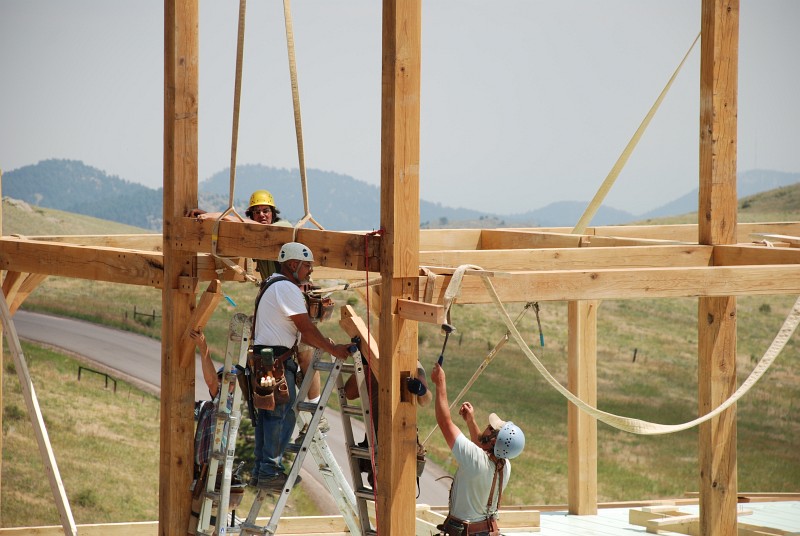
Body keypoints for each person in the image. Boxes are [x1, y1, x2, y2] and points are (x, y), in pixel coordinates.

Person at [250, 241, 353, 491]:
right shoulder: (286, 288)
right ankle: (269, 470)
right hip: (275, 362)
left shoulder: (274, 285)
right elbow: (306, 328)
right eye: (307, 266)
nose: (310, 271)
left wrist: (328, 345)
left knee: (269, 415)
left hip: (268, 361)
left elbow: (303, 334)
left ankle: (262, 470)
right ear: (293, 264)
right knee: (280, 416)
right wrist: (335, 351)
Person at [430, 362, 525, 536]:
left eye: (490, 427)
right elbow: (481, 448)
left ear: (494, 439)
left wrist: (440, 383)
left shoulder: (477, 461)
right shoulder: (504, 465)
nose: (487, 427)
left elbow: (445, 422)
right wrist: (470, 421)